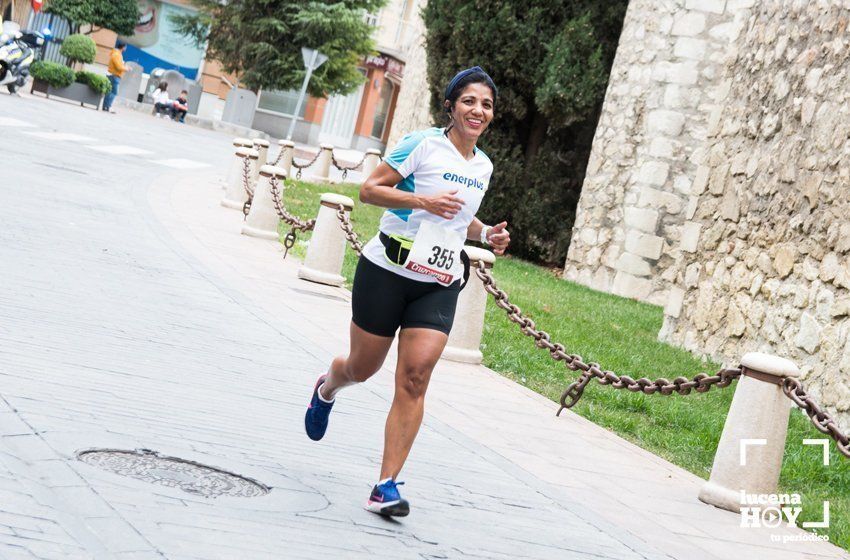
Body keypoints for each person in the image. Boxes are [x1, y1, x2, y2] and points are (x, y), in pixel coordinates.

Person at [304, 66, 510, 517]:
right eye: (470, 101)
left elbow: (458, 219)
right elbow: (369, 191)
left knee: (415, 378)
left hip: (437, 282)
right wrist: (421, 201)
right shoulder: (422, 145)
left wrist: (486, 232)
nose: (478, 110)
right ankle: (327, 387)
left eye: (487, 104)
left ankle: (385, 486)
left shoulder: (484, 166)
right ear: (452, 106)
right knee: (362, 367)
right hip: (387, 270)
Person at [103, 41, 127, 114]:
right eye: (125, 47)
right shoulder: (117, 54)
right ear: (123, 47)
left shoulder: (117, 54)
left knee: (109, 91)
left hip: (113, 75)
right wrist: (126, 68)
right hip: (114, 75)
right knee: (114, 92)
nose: (126, 49)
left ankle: (105, 106)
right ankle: (109, 106)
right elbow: (118, 67)